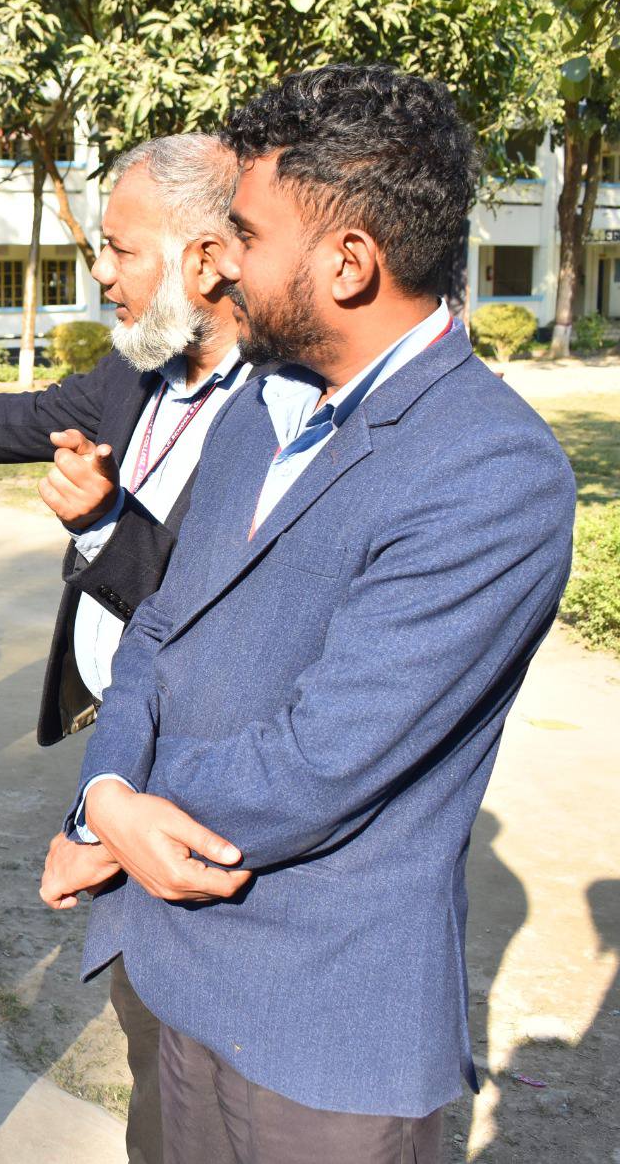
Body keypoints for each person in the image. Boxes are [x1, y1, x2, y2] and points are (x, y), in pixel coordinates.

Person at [47, 64, 575, 1164]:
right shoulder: (259, 407)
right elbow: (159, 628)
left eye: (245, 232)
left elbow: (324, 758)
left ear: (348, 261)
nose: (221, 261)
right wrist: (103, 792)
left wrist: (119, 821)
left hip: (320, 1030)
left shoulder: (491, 469)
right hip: (171, 967)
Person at [0, 133, 259, 1164]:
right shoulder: (137, 376)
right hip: (122, 747)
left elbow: (214, 612)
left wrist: (100, 526)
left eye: (120, 249)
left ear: (205, 259)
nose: (100, 272)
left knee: (198, 1054)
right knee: (150, 1037)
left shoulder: (281, 406)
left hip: (199, 766)